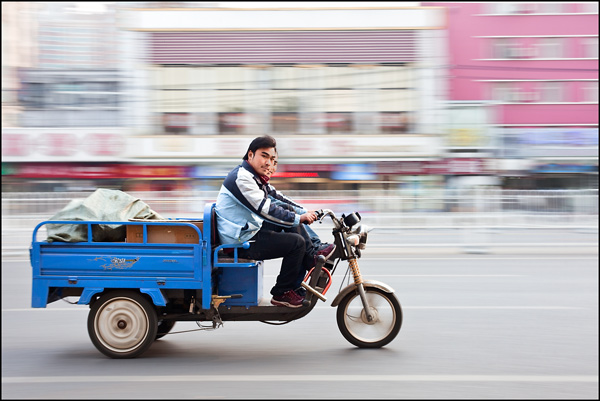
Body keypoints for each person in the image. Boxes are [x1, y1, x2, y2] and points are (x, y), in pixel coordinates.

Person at [215, 136, 334, 308]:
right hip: (238, 241)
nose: (269, 163)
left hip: (247, 230)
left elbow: (278, 199)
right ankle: (283, 292)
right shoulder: (241, 178)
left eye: (272, 160)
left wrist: (304, 212)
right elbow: (265, 208)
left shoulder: (255, 177)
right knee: (296, 243)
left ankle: (312, 254)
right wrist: (297, 218)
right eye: (264, 156)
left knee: (291, 220)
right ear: (250, 155)